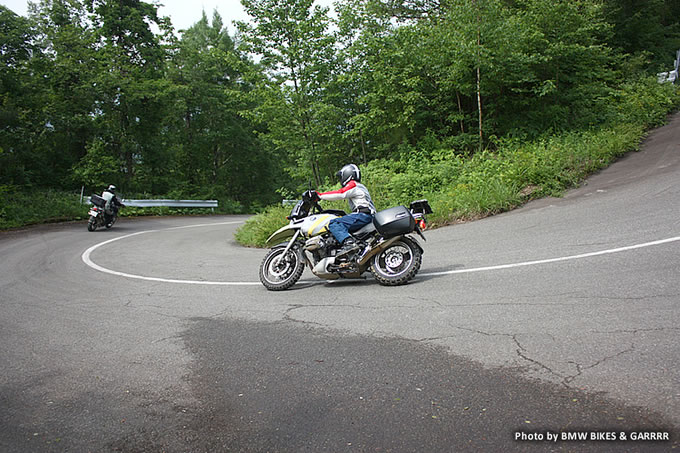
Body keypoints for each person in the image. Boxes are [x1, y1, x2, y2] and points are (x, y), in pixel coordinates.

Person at [314, 163, 376, 257]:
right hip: (367, 215)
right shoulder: (360, 186)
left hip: (363, 215)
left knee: (334, 223)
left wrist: (319, 195)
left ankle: (349, 243)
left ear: (347, 174)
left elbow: (341, 193)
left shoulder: (353, 184)